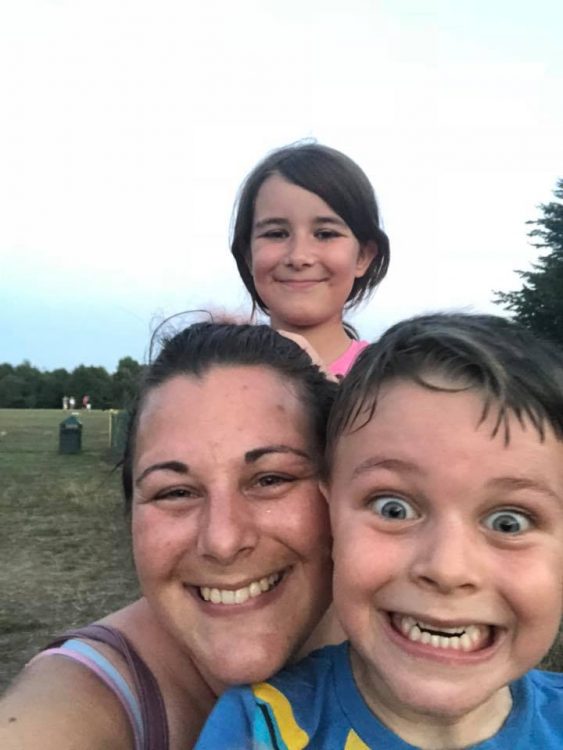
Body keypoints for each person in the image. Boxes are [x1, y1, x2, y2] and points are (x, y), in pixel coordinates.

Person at [195, 313, 563, 749]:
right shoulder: (259, 731)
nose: (447, 568)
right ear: (328, 517)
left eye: (509, 522)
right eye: (393, 509)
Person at [0, 321, 340, 750]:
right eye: (176, 492)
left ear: (343, 491)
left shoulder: (421, 643)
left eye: (270, 479)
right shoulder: (81, 700)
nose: (222, 540)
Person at [231, 142, 390, 378]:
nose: (298, 257)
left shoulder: (386, 381)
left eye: (325, 234)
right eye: (276, 234)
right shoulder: (221, 377)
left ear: (363, 256)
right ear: (248, 256)